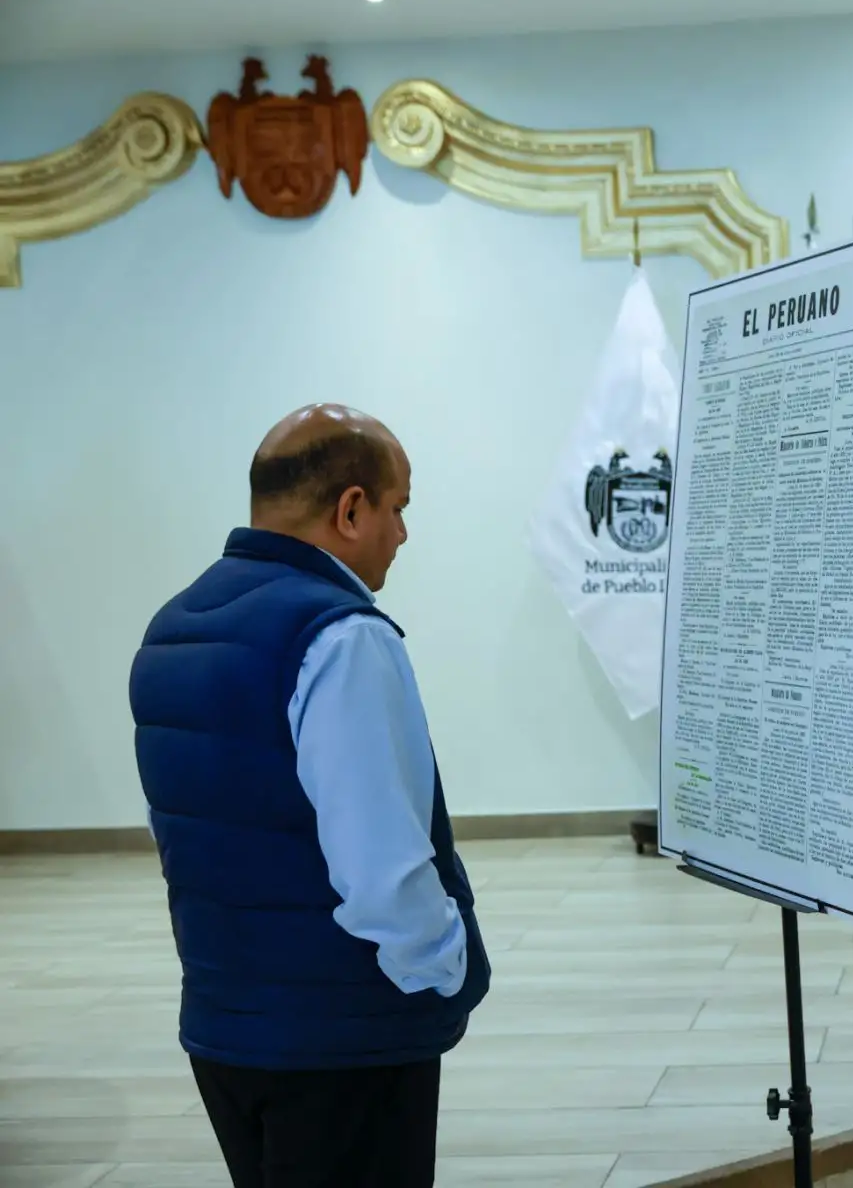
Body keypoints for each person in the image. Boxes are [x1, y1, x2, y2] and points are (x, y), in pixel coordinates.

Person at [128, 403, 490, 1187]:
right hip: (342, 1043)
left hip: (224, 1029)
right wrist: (450, 968)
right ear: (350, 509)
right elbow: (384, 871)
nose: (402, 534)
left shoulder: (172, 628)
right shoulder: (341, 637)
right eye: (397, 509)